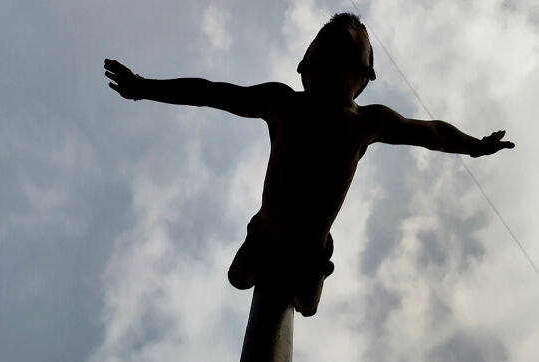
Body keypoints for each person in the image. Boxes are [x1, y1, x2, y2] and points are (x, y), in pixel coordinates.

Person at [104, 13, 514, 316]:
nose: (334, 71)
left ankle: (310, 273)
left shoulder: (366, 122)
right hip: (264, 236)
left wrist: (475, 146)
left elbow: (434, 133)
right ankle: (278, 260)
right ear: (304, 68)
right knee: (238, 277)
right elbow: (211, 92)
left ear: (363, 78)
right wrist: (144, 88)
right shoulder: (283, 103)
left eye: (345, 62)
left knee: (305, 302)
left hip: (308, 254)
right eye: (328, 57)